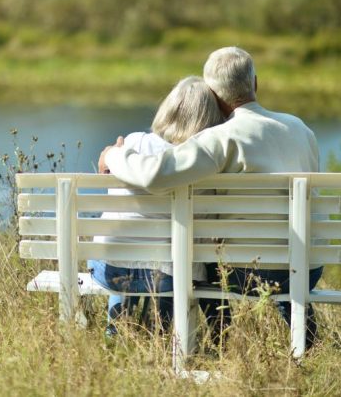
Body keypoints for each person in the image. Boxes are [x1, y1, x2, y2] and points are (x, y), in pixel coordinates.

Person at [99, 47, 322, 348]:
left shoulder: (220, 138)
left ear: (213, 97)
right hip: (307, 268)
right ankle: (303, 342)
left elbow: (155, 174)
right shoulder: (301, 129)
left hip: (247, 275)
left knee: (203, 268)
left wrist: (114, 154)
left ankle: (219, 344)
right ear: (255, 83)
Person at [88, 76, 224, 336]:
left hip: (111, 270)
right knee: (171, 264)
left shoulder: (133, 143)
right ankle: (159, 336)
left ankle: (116, 336)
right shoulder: (204, 162)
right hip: (170, 276)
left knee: (124, 248)